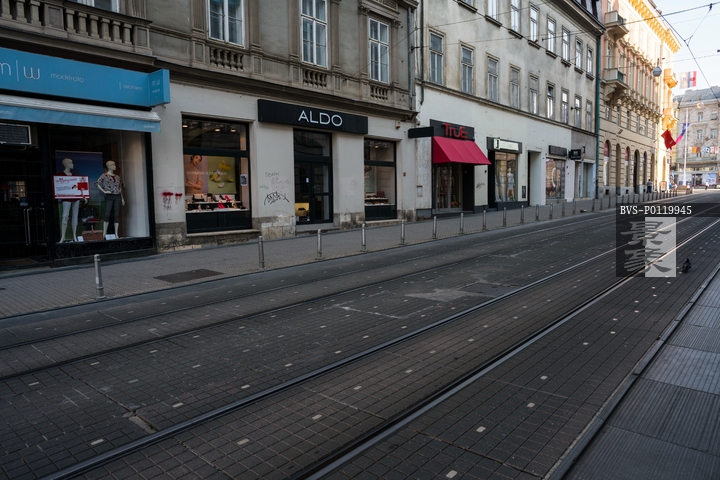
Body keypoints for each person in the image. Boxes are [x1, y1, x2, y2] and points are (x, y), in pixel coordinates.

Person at [58, 158, 87, 242]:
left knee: (75, 216)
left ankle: (74, 235)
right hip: (66, 198)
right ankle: (63, 236)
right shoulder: (60, 175)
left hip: (76, 198)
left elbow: (80, 187)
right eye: (71, 163)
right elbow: (58, 187)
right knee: (65, 216)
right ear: (67, 165)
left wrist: (83, 196)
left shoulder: (75, 176)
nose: (73, 165)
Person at [95, 161, 124, 239]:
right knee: (107, 214)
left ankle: (116, 234)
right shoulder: (104, 175)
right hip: (109, 196)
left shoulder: (117, 177)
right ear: (109, 166)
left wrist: (122, 198)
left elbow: (119, 188)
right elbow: (97, 183)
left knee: (116, 215)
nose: (115, 166)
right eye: (113, 165)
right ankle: (104, 234)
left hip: (117, 196)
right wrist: (104, 191)